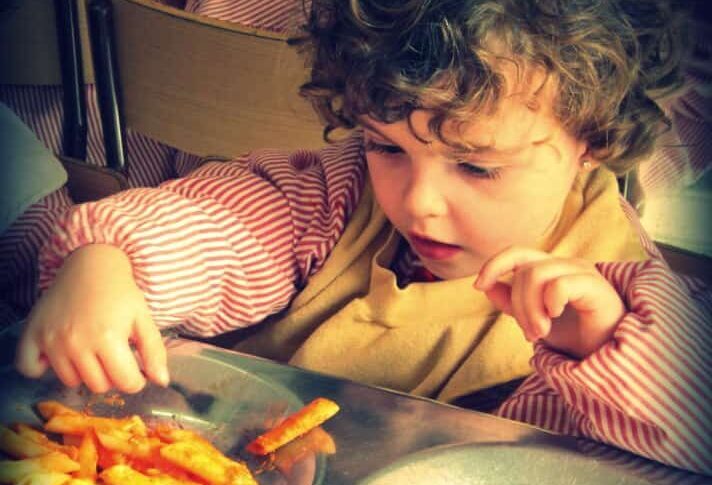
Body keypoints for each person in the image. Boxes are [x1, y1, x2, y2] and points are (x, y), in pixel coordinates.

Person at [13, 0, 711, 476]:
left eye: (476, 165)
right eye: (387, 146)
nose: (419, 202)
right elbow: (226, 224)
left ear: (590, 141)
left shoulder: (623, 287)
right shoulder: (337, 193)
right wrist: (109, 258)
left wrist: (606, 349)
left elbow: (686, 434)